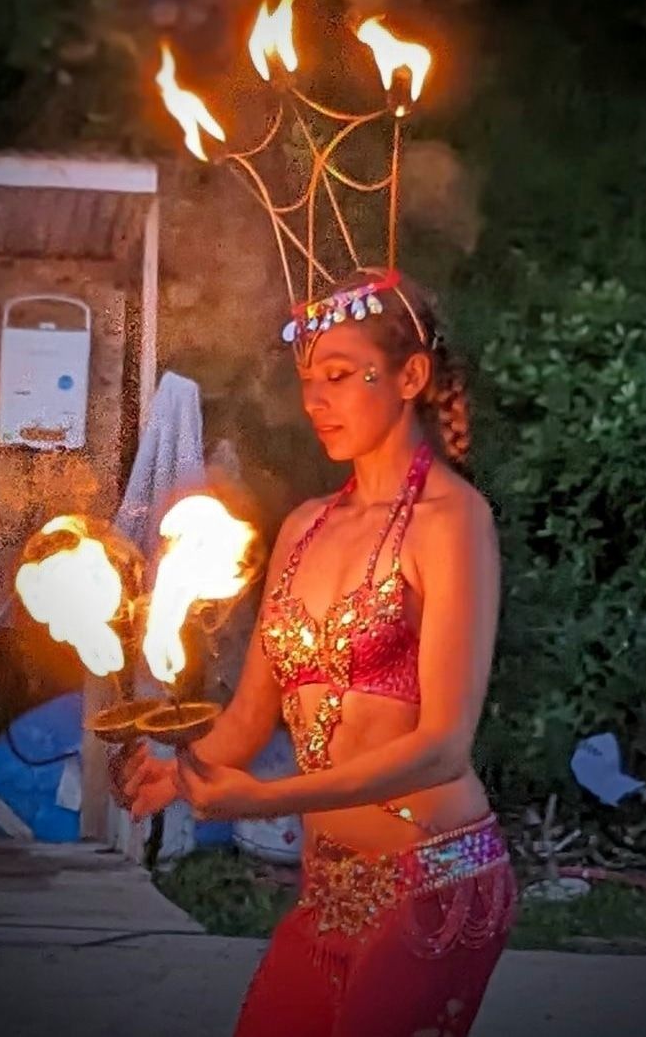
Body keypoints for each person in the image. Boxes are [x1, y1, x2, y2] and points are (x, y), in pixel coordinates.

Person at [120, 267, 517, 1037]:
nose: (315, 401)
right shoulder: (302, 528)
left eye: (339, 375)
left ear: (410, 375)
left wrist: (266, 800)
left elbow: (442, 748)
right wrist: (179, 774)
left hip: (436, 880)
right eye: (308, 379)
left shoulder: (453, 521)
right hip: (328, 887)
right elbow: (247, 721)